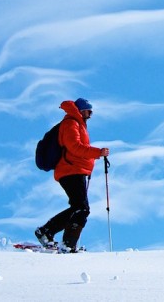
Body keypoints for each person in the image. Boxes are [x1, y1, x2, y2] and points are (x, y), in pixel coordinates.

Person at [35, 98, 109, 252]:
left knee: (79, 207)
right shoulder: (71, 123)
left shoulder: (77, 124)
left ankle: (53, 235)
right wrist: (98, 152)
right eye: (89, 111)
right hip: (70, 170)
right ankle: (65, 243)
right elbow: (74, 147)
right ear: (81, 110)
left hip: (75, 170)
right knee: (81, 208)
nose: (90, 115)